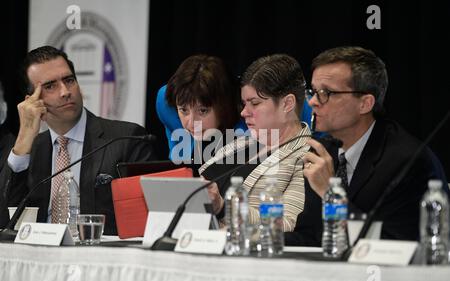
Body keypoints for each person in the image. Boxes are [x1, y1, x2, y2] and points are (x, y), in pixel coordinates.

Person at [285, 46, 449, 246]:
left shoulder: (408, 161)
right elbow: (310, 236)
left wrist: (331, 193)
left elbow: (397, 246)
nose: (312, 102)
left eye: (325, 93)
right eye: (313, 91)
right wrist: (256, 240)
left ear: (365, 103)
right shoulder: (323, 150)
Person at [0, 46, 154, 235]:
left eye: (69, 80)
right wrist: (23, 141)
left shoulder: (126, 139)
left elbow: (146, 220)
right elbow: (7, 219)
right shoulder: (33, 149)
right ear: (32, 101)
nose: (65, 91)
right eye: (50, 86)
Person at [199, 54, 311, 231]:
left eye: (255, 103)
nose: (244, 112)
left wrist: (223, 209)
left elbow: (288, 225)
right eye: (244, 103)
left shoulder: (307, 156)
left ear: (287, 103)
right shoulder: (238, 144)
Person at [157, 54, 246, 164]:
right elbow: (180, 166)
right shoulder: (166, 103)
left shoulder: (247, 110)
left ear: (224, 105)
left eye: (203, 111)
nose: (192, 124)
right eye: (184, 110)